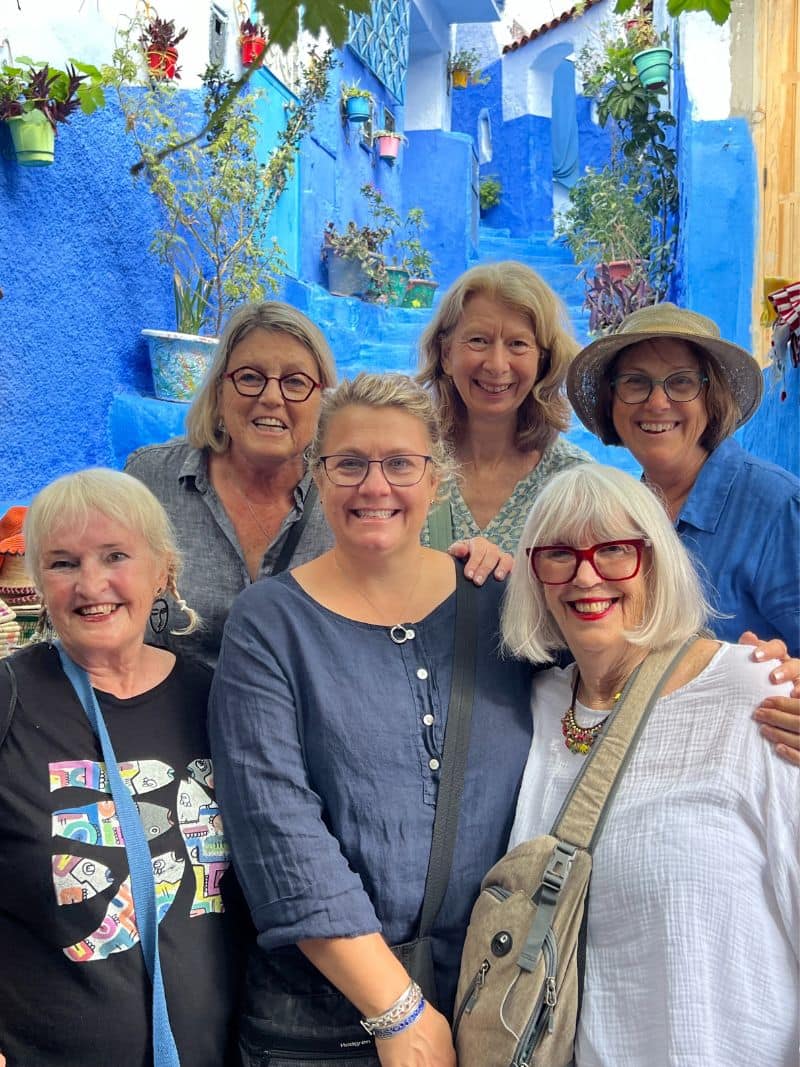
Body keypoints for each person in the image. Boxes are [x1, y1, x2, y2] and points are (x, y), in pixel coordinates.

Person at [208, 373, 534, 1067]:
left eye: (400, 463)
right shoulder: (270, 624)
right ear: (318, 475)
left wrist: (761, 668)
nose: (374, 485)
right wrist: (400, 1012)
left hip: (493, 1007)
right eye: (350, 462)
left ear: (437, 478)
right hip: (321, 1026)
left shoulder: (506, 604)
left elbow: (613, 677)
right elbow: (276, 826)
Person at [502, 463, 798, 1067]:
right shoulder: (531, 706)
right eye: (558, 553)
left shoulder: (755, 694)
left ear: (657, 562)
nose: (586, 575)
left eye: (614, 550)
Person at [0, 469, 248, 1066]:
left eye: (115, 555)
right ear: (39, 580)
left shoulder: (217, 700)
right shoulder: (10, 697)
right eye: (62, 563)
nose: (91, 584)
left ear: (162, 569)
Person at [127, 301, 505, 669]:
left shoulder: (351, 495)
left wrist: (482, 560)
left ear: (322, 400)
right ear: (220, 390)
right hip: (168, 722)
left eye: (295, 382)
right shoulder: (152, 479)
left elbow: (413, 579)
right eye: (249, 378)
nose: (271, 397)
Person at [567, 302, 800, 655]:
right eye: (635, 382)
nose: (658, 402)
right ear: (611, 401)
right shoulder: (619, 516)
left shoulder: (777, 507)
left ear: (712, 397)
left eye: (681, 382)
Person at [417, 260, 591, 554]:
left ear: (543, 360)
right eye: (478, 340)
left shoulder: (573, 481)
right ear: (446, 355)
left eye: (518, 344)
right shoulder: (407, 465)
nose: (497, 365)